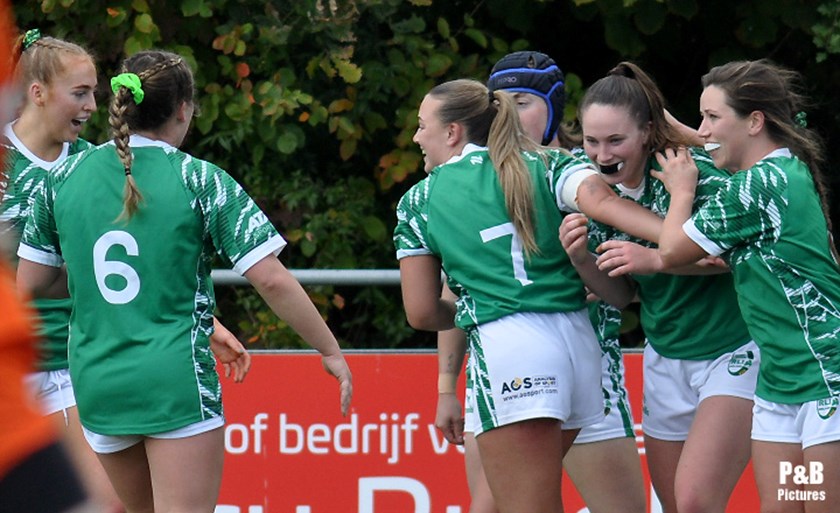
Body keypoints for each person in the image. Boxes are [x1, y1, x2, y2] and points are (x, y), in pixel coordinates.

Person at [15, 49, 353, 513]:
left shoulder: (62, 178)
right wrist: (329, 350)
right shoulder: (198, 179)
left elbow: (31, 283)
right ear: (183, 109)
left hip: (98, 383)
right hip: (176, 381)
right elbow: (271, 280)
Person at [1, 31, 253, 512]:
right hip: (16, 366)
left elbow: (133, 263)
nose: (93, 107)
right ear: (38, 93)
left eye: (95, 93)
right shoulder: (6, 164)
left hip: (76, 365)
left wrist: (210, 325)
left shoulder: (89, 166)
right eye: (80, 93)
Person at [395, 77, 643, 513]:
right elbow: (604, 214)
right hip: (582, 348)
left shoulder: (423, 198)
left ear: (452, 132)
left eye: (421, 125)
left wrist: (470, 309)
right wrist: (673, 238)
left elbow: (421, 313)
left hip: (511, 349)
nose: (416, 137)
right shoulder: (550, 164)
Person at [612, 59, 839, 512]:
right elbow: (713, 141)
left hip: (826, 379)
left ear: (754, 122)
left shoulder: (762, 184)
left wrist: (681, 191)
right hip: (780, 387)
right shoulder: (778, 170)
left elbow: (672, 247)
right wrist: (687, 131)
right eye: (700, 118)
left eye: (712, 117)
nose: (703, 130)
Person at [576, 61, 760, 513]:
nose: (602, 154)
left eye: (615, 140)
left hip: (733, 349)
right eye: (591, 141)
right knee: (674, 505)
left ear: (646, 132)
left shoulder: (691, 174)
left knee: (695, 501)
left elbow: (734, 259)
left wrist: (656, 260)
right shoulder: (591, 192)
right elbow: (623, 297)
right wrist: (581, 259)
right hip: (664, 354)